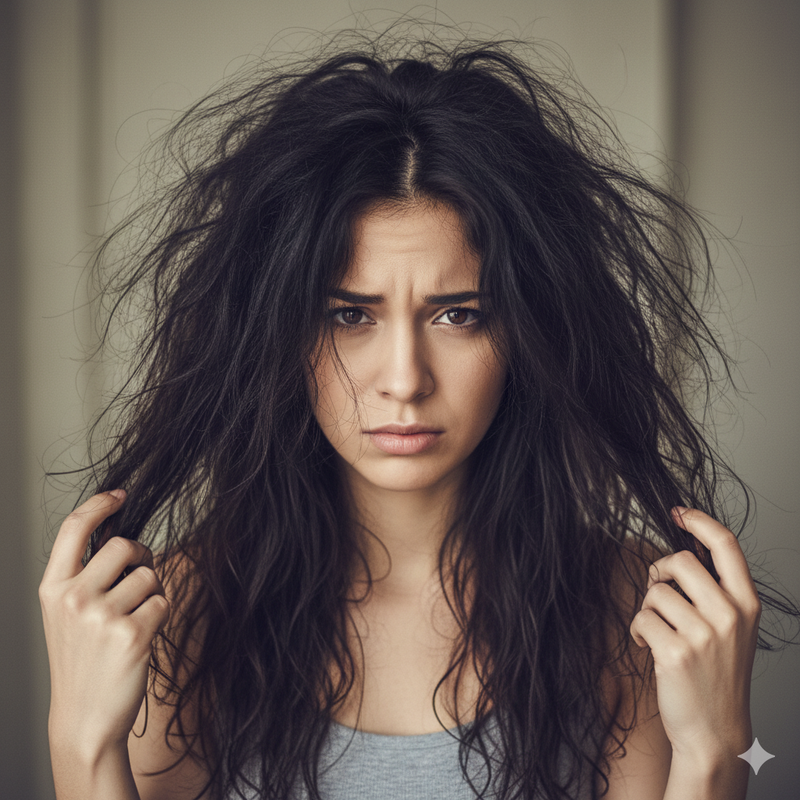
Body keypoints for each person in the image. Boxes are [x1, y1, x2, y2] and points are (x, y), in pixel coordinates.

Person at [38, 29, 798, 800]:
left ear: (529, 331)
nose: (404, 380)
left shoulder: (635, 611)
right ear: (277, 333)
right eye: (350, 315)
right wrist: (81, 740)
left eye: (458, 315)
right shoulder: (171, 613)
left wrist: (714, 752)